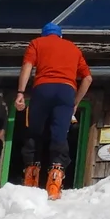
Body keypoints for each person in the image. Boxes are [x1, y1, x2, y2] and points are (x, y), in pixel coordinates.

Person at [13, 22, 91, 200]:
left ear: (43, 35)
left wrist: (20, 93)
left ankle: (31, 177)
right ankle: (55, 182)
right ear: (60, 36)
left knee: (35, 132)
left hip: (43, 88)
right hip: (66, 91)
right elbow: (87, 78)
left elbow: (27, 66)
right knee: (59, 135)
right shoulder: (74, 48)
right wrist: (75, 102)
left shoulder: (36, 43)